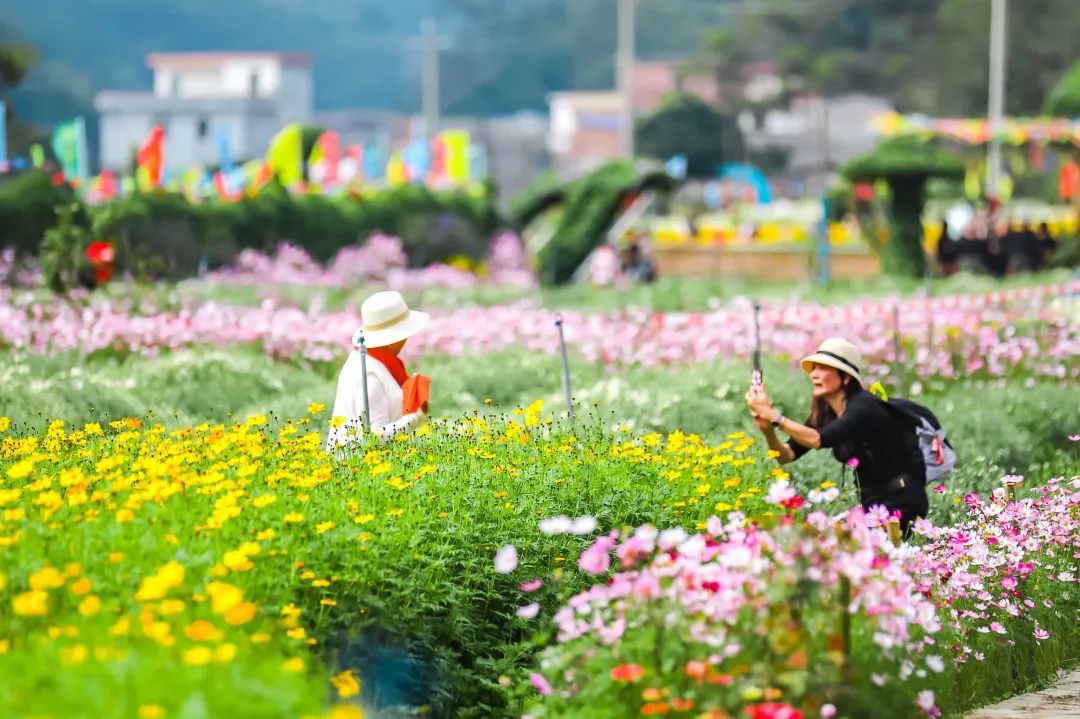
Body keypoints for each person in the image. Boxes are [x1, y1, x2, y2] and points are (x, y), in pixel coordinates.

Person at [745, 338, 929, 532]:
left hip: (901, 501)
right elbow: (786, 455)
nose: (814, 374)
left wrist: (774, 416)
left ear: (846, 377)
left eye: (823, 368)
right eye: (813, 368)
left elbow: (817, 439)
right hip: (873, 505)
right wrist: (768, 430)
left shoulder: (864, 406)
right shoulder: (827, 412)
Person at [326, 291, 430, 452]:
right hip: (357, 471)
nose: (407, 339)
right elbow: (373, 438)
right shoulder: (370, 376)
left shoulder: (372, 361)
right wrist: (416, 417)